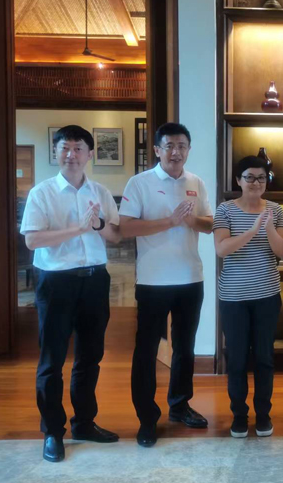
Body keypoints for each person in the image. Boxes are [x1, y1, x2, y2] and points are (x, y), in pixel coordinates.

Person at [20, 125, 122, 462]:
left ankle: (84, 423)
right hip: (56, 282)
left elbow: (115, 235)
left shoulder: (100, 192)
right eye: (65, 147)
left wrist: (97, 225)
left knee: (90, 356)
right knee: (52, 359)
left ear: (89, 154)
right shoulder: (42, 192)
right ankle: (52, 431)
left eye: (78, 148)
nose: (71, 154)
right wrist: (77, 229)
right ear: (56, 152)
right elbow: (33, 239)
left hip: (95, 280)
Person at [119, 122, 213, 447]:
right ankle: (147, 418)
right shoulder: (140, 183)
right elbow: (126, 228)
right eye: (169, 146)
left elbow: (210, 224)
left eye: (182, 146)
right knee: (146, 350)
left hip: (191, 278)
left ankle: (180, 405)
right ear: (157, 149)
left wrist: (190, 220)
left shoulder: (196, 182)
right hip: (153, 281)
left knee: (185, 347)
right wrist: (170, 221)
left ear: (189, 149)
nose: (176, 152)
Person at [213, 155, 283, 438]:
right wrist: (253, 230)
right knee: (236, 359)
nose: (256, 183)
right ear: (238, 180)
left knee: (264, 358)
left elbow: (282, 251)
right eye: (249, 177)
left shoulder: (276, 210)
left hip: (267, 295)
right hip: (233, 298)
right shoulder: (225, 210)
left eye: (261, 178)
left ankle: (263, 415)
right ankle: (239, 416)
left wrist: (267, 228)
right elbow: (222, 249)